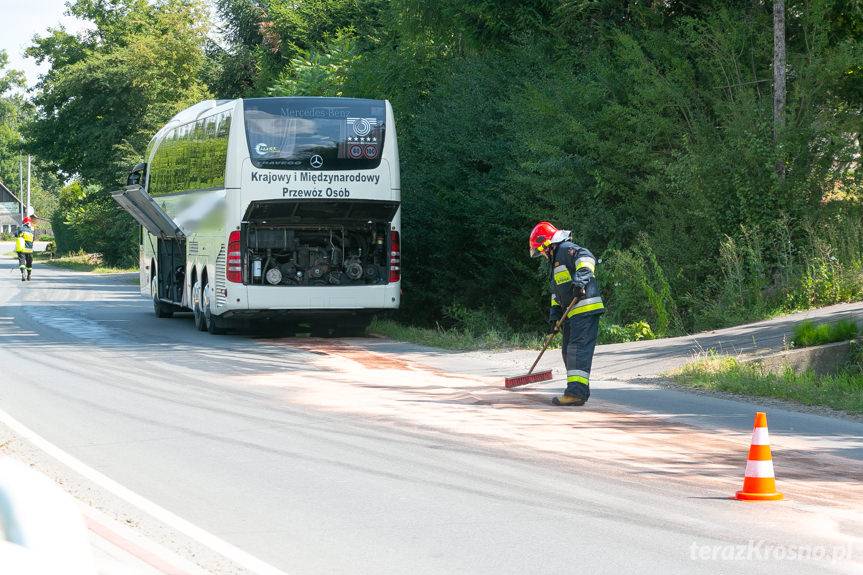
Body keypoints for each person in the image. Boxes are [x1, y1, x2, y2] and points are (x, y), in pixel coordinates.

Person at [529, 221, 605, 406]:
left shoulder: (565, 249)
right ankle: (579, 391)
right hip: (571, 314)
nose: (543, 255)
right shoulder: (555, 264)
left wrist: (580, 282)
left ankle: (575, 394)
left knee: (576, 351)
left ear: (546, 244)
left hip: (585, 309)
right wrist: (554, 319)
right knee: (568, 352)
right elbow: (558, 295)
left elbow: (587, 257)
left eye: (541, 250)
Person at [15, 217, 34, 282]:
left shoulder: (21, 228)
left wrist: (18, 229)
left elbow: (15, 234)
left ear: (24, 223)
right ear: (29, 223)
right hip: (29, 250)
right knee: (29, 263)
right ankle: (29, 275)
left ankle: (23, 273)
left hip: (22, 249)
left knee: (22, 262)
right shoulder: (32, 231)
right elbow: (33, 240)